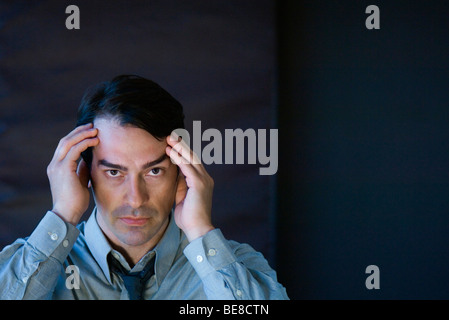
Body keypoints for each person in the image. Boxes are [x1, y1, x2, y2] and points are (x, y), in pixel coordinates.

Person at [0, 75, 288, 300]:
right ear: (84, 172)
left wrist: (201, 231)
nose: (136, 199)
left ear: (181, 171)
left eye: (154, 170)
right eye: (114, 171)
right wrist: (62, 215)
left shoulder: (238, 268)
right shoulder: (29, 264)